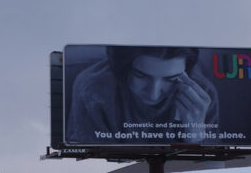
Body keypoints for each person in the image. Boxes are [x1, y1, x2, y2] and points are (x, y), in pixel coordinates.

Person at [66, 46, 219, 145]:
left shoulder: (203, 96)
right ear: (124, 67)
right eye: (140, 75)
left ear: (186, 73)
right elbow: (91, 166)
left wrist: (195, 139)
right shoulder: (92, 89)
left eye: (171, 79)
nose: (153, 94)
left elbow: (211, 172)